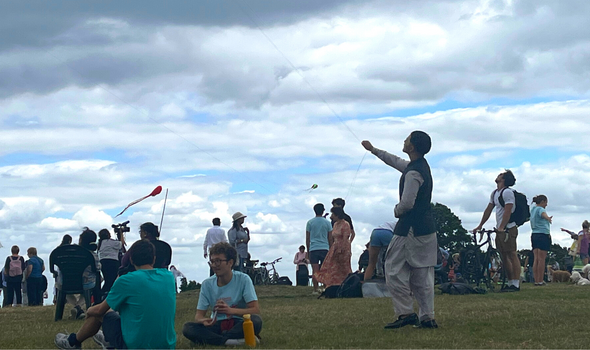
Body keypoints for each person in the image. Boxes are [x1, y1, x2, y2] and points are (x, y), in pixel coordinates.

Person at [362, 131, 438, 329]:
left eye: (407, 139)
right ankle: (427, 317)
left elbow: (406, 204)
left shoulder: (413, 173)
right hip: (427, 230)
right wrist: (373, 150)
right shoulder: (420, 167)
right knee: (423, 275)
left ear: (412, 146)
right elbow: (394, 161)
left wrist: (396, 211)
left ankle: (405, 313)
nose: (404, 141)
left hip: (409, 230)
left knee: (393, 270)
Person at [54, 239, 177, 349]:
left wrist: (89, 310)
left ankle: (73, 342)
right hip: (166, 345)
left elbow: (100, 311)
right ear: (153, 258)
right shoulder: (168, 277)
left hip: (135, 345)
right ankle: (107, 341)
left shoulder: (127, 280)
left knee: (99, 313)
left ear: (131, 259)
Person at [182, 242, 262, 346]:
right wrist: (203, 321)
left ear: (230, 262)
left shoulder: (243, 279)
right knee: (188, 328)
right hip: (217, 324)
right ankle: (231, 341)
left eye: (218, 261)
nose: (215, 265)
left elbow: (255, 310)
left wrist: (230, 310)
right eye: (212, 262)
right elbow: (199, 315)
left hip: (237, 322)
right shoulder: (207, 284)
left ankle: (215, 339)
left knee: (256, 321)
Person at [473, 169, 522, 292]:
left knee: (511, 253)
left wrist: (502, 227)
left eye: (501, 175)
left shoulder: (507, 193)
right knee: (504, 255)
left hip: (509, 228)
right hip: (500, 229)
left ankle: (515, 283)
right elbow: (488, 209)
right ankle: (509, 281)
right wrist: (480, 225)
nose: (498, 176)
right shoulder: (495, 193)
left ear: (504, 179)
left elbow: (508, 210)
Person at [56, 228, 101, 320]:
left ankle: (77, 309)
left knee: (62, 286)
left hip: (65, 282)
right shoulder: (92, 254)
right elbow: (98, 268)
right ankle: (78, 307)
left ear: (81, 240)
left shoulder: (67, 253)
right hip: (85, 283)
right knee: (96, 280)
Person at [315, 207, 353, 287]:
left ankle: (346, 284)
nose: (331, 216)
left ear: (337, 215)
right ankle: (332, 284)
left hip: (343, 248)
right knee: (332, 267)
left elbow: (345, 238)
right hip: (335, 247)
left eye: (333, 214)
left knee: (343, 268)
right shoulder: (335, 224)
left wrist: (341, 249)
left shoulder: (345, 224)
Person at [306, 203, 333, 295]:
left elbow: (308, 238)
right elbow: (330, 238)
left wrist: (308, 249)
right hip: (325, 248)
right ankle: (325, 287)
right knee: (325, 269)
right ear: (323, 211)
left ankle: (315, 288)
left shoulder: (310, 222)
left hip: (314, 248)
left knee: (315, 270)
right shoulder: (327, 223)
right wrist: (331, 248)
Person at [529, 195, 553, 286]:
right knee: (542, 259)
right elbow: (543, 215)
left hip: (534, 234)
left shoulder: (533, 210)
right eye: (546, 202)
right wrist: (548, 218)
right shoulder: (541, 209)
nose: (546, 204)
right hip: (543, 234)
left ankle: (536, 280)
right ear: (542, 201)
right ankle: (540, 280)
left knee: (536, 258)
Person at [97, 229, 122, 298]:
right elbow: (120, 245)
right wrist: (120, 235)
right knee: (113, 281)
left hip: (103, 262)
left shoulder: (100, 243)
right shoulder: (111, 242)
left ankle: (102, 295)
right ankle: (104, 296)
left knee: (107, 280)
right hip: (113, 262)